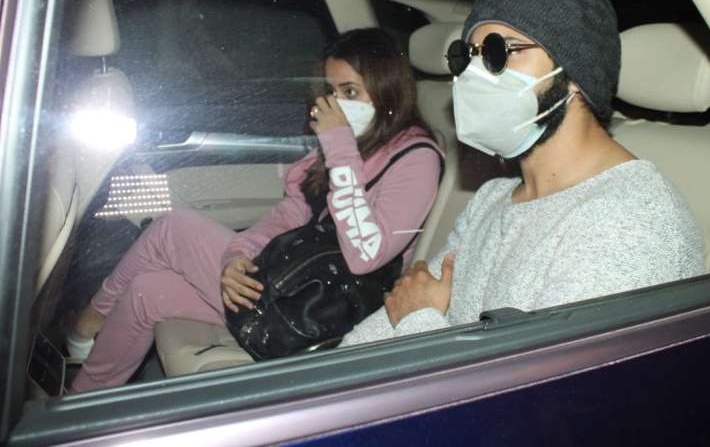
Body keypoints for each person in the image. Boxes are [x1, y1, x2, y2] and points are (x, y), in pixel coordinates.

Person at [341, 0, 704, 346]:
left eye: (499, 52)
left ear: (575, 72)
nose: (474, 77)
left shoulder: (631, 221)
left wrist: (419, 319)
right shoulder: (492, 198)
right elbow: (386, 324)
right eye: (467, 58)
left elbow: (543, 399)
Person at [68, 28, 443, 392]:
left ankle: (87, 323)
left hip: (329, 311)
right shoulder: (348, 146)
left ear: (386, 90)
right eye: (330, 91)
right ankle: (79, 407)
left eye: (350, 92)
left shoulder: (415, 157)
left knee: (172, 226)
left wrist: (338, 145)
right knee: (147, 291)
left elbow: (366, 255)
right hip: (293, 285)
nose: (335, 104)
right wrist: (237, 257)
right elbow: (287, 218)